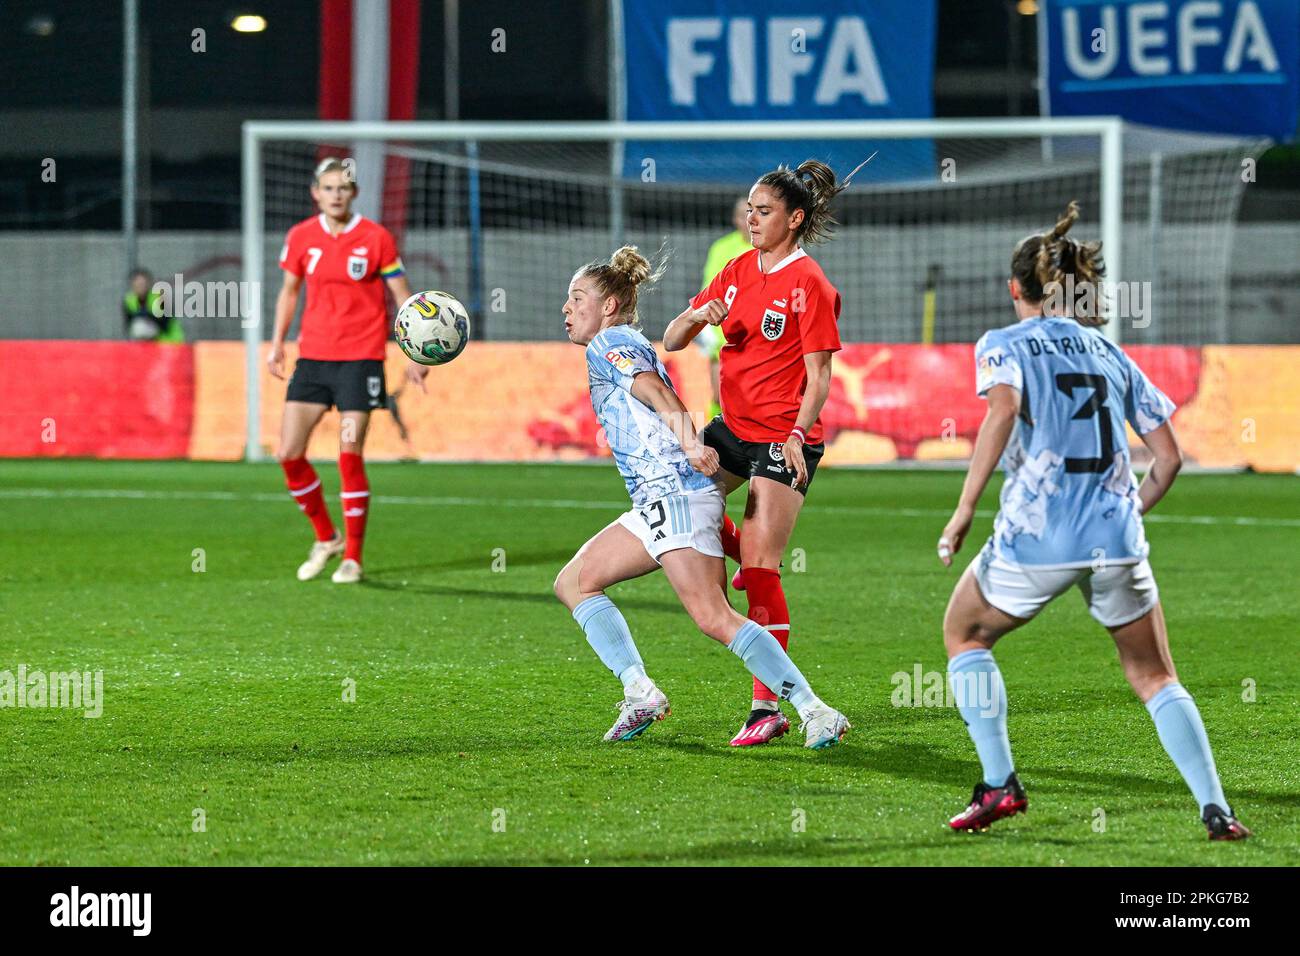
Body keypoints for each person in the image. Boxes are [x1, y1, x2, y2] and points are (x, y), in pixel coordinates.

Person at [935, 201, 1250, 841]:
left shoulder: (1002, 343)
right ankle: (1216, 810)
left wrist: (965, 508)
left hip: (1037, 536)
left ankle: (1000, 786)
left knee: (964, 634)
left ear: (1014, 288)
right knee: (1155, 675)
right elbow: (1168, 458)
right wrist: (1124, 512)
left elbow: (1001, 412)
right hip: (1115, 541)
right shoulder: (1107, 350)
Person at [553, 245, 849, 748]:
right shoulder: (619, 340)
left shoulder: (610, 342)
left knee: (714, 618)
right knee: (574, 583)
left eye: (577, 298)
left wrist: (691, 442)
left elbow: (655, 391)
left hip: (675, 497)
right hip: (657, 502)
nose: (567, 309)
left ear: (607, 306)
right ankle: (640, 691)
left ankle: (814, 710)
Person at [663, 159, 853, 748]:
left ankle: (766, 707)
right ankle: (740, 551)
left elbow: (819, 377)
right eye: (749, 208)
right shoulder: (736, 269)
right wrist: (698, 316)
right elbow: (669, 340)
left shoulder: (811, 285)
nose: (751, 218)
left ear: (794, 219)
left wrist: (797, 433)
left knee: (763, 569)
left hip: (781, 440)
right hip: (731, 428)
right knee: (675, 496)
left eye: (764, 210)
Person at [269, 157, 428, 584]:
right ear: (315, 193)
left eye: (343, 187)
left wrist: (414, 352)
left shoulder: (376, 238)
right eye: (328, 187)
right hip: (314, 360)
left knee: (347, 453)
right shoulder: (301, 237)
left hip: (361, 361)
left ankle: (352, 558)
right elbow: (289, 292)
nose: (336, 194)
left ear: (353, 193)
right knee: (288, 453)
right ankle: (327, 536)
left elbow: (403, 295)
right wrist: (277, 342)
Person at [695, 197, 752, 419]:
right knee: (719, 395)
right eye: (742, 214)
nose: (748, 219)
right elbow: (710, 289)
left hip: (757, 332)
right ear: (735, 219)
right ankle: (714, 439)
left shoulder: (772, 247)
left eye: (752, 212)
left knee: (749, 396)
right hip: (723, 330)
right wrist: (707, 326)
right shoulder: (722, 248)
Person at [124, 268, 182, 342]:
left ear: (148, 284)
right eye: (137, 284)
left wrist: (148, 315)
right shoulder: (129, 300)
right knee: (139, 326)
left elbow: (165, 324)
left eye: (142, 284)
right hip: (148, 344)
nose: (140, 287)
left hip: (169, 341)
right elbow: (129, 324)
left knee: (142, 326)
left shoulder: (160, 296)